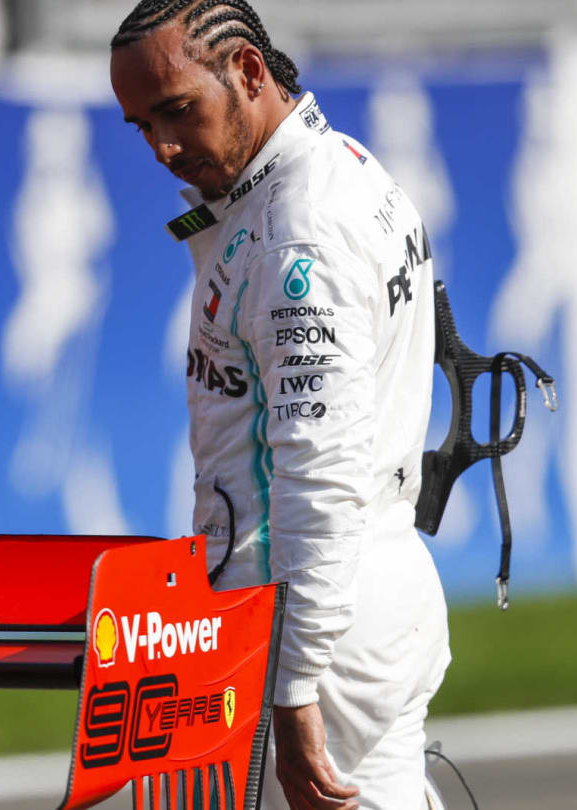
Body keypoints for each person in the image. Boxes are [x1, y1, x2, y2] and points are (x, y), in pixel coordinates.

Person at [109, 2, 451, 808]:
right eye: (139, 125)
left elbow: (319, 468)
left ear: (249, 73)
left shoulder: (297, 232)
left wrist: (295, 681)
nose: (161, 148)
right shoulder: (338, 164)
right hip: (360, 585)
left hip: (324, 610)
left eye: (176, 111)